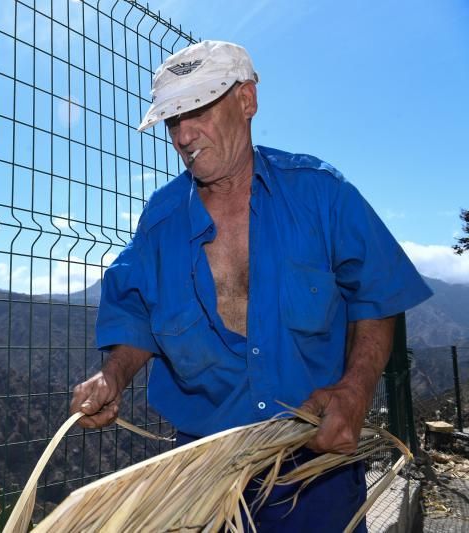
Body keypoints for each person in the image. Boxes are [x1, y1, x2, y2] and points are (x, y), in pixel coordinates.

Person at [69, 40, 432, 531]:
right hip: (203, 477)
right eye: (172, 120)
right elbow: (135, 317)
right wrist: (111, 376)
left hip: (316, 470)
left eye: (197, 110)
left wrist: (356, 387)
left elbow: (375, 296)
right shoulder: (159, 221)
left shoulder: (320, 194)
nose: (183, 134)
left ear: (247, 100)